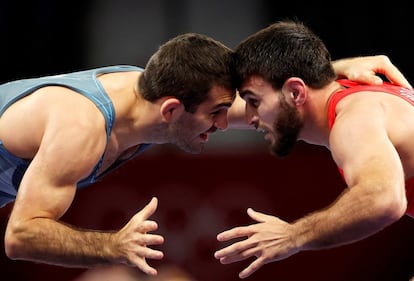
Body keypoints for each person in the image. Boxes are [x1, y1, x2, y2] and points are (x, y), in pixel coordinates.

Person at [0, 31, 408, 277]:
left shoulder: (165, 96)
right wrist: (110, 247)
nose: (232, 122)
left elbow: (275, 99)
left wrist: (332, 68)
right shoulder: (79, 127)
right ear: (172, 112)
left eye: (233, 107)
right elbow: (21, 235)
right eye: (218, 114)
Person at [214, 20, 414, 279]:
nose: (250, 116)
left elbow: (383, 200)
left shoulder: (353, 120)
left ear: (296, 93)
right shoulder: (351, 94)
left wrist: (292, 236)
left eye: (253, 101)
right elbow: (217, 108)